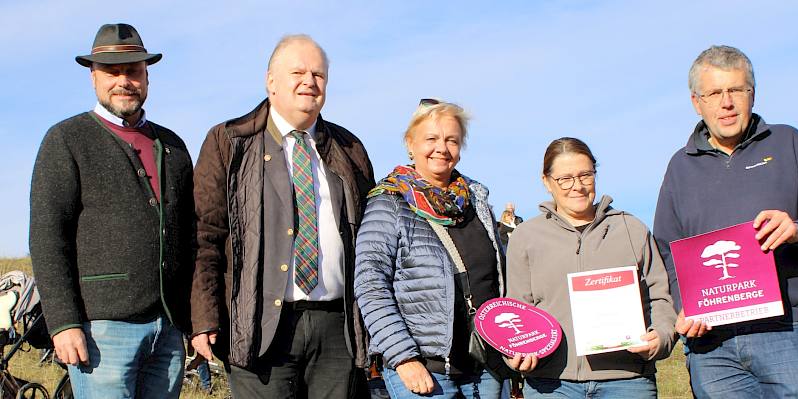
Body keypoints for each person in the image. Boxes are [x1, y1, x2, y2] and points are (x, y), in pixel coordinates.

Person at [654, 45, 798, 398]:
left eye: (736, 90)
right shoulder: (679, 167)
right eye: (714, 93)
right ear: (697, 102)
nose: (726, 103)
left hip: (785, 332)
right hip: (711, 345)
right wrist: (685, 306)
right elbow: (667, 251)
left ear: (752, 95)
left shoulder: (790, 143)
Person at [190, 34, 374, 398]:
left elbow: (370, 239)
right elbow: (205, 234)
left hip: (337, 328)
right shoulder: (230, 141)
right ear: (270, 81)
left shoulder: (348, 148)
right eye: (298, 72)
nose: (309, 82)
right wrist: (204, 316)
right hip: (259, 325)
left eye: (318, 75)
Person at [29, 23, 193, 398]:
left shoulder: (174, 146)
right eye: (112, 71)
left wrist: (188, 320)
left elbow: (189, 235)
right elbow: (47, 235)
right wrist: (64, 323)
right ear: (93, 78)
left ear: (147, 76)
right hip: (100, 331)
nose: (124, 80)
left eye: (133, 70)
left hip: (167, 329)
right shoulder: (67, 139)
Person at [354, 98, 507, 398]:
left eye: (452, 140)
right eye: (432, 139)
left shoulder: (476, 202)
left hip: (487, 368)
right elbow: (371, 283)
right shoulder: (389, 202)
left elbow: (498, 279)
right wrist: (403, 358)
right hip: (426, 371)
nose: (442, 148)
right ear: (410, 144)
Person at [504, 137, 676, 398]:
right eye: (565, 178)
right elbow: (518, 308)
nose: (577, 186)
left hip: (627, 380)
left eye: (586, 175)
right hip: (552, 383)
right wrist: (514, 353)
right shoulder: (525, 237)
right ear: (546, 181)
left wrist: (660, 337)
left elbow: (659, 296)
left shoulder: (631, 229)